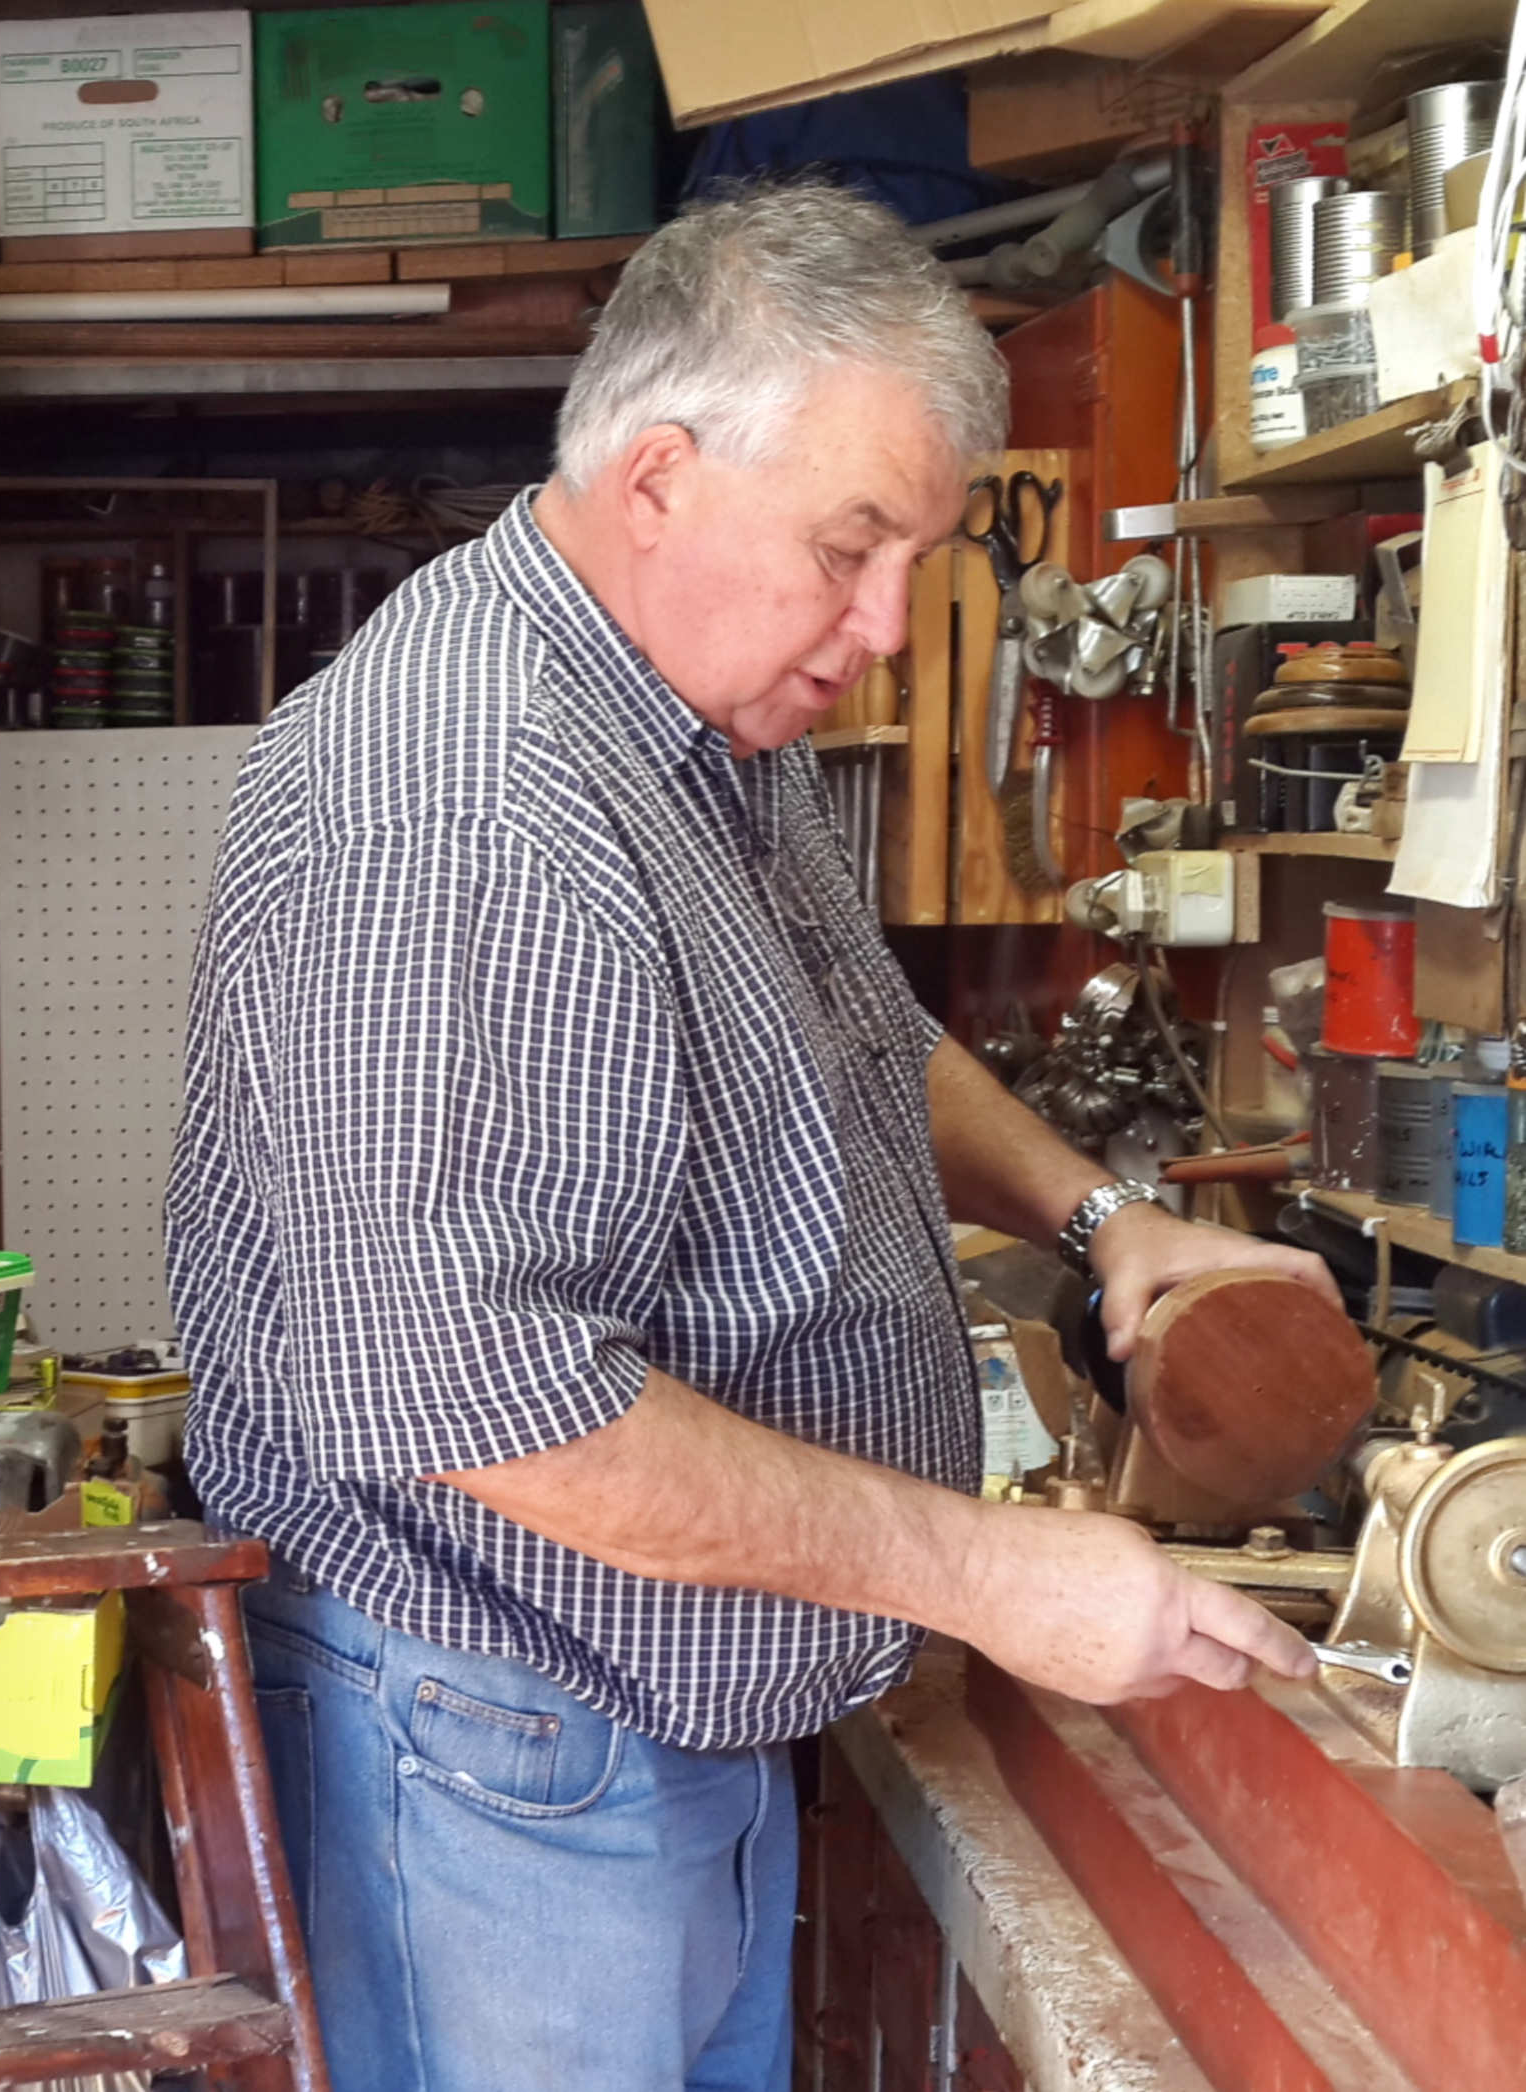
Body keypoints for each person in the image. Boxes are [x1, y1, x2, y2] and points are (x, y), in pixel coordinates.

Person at [162, 179, 1337, 2092]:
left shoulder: (695, 721)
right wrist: (986, 1575)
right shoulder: (471, 802)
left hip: (652, 1702)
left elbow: (853, 1038)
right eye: (846, 549)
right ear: (656, 479)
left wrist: (1099, 1213)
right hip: (499, 1745)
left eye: (913, 563)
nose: (880, 628)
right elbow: (478, 1400)